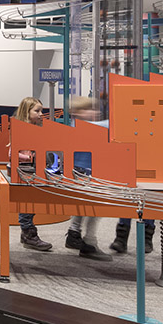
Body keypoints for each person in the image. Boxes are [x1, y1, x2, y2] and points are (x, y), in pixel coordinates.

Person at [62, 96, 112, 261]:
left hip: (85, 174)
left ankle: (74, 233)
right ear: (77, 112)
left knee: (83, 207)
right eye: (89, 109)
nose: (95, 112)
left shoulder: (76, 126)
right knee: (96, 208)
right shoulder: (81, 127)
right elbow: (107, 125)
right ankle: (89, 242)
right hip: (83, 176)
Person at [12, 96, 52, 250]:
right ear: (26, 111)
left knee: (31, 203)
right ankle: (29, 233)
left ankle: (28, 233)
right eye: (37, 111)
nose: (41, 114)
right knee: (27, 204)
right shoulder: (20, 130)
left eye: (41, 110)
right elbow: (12, 153)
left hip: (34, 171)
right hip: (24, 172)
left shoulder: (36, 129)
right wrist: (29, 156)